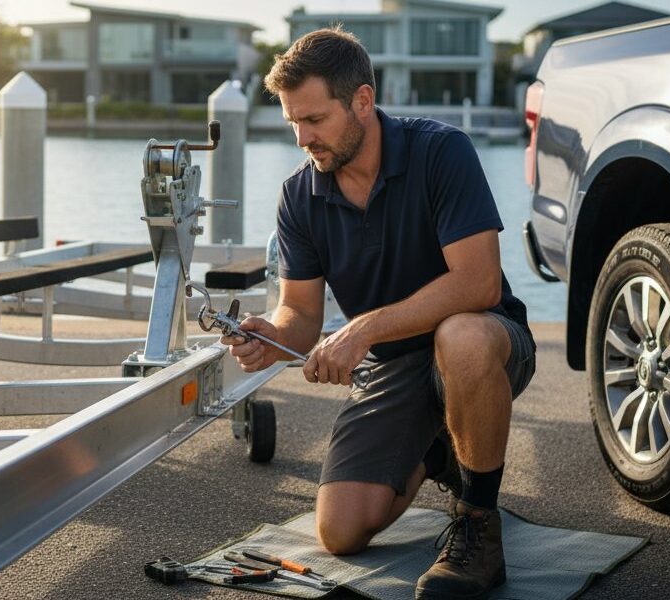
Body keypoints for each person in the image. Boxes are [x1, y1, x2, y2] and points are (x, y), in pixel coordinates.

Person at [221, 28, 535, 600]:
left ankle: (477, 528)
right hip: (392, 367)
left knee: (459, 337)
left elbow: (480, 282)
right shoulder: (299, 196)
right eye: (293, 121)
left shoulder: (442, 151)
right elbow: (300, 314)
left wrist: (363, 328)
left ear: (362, 100)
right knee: (340, 532)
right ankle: (440, 449)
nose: (301, 137)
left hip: (488, 340)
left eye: (314, 119)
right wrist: (272, 335)